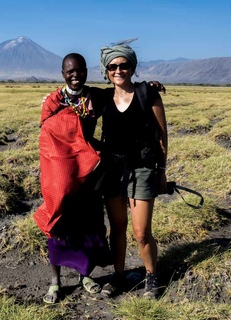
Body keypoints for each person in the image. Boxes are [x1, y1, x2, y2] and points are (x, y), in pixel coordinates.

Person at [34, 53, 112, 304]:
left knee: (87, 224)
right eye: (70, 71)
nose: (75, 75)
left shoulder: (95, 97)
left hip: (87, 173)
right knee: (58, 224)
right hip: (60, 175)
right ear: (63, 74)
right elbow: (48, 139)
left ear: (86, 71)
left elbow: (122, 93)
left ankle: (84, 275)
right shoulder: (53, 101)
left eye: (79, 70)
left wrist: (147, 86)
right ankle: (55, 282)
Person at [98, 39, 168, 299]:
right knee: (117, 227)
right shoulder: (103, 97)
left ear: (133, 67)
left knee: (141, 232)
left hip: (142, 168)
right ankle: (118, 277)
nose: (118, 70)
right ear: (106, 70)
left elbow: (162, 134)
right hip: (112, 171)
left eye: (124, 65)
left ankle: (151, 276)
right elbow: (75, 98)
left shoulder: (147, 93)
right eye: (113, 66)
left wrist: (161, 170)